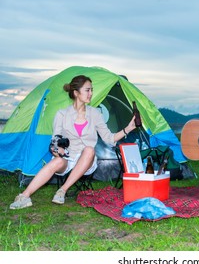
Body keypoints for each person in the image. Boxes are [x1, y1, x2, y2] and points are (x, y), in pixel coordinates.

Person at [10, 75, 137, 209]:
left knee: (89, 149)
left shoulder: (95, 114)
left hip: (87, 161)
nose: (91, 93)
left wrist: (128, 128)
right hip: (68, 157)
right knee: (57, 161)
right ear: (76, 93)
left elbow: (109, 138)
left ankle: (62, 190)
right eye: (87, 90)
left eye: (91, 90)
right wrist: (57, 149)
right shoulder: (62, 114)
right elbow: (56, 139)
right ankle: (24, 196)